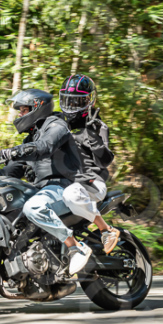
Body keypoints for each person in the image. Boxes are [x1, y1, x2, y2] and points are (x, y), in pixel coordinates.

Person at [0, 88, 93, 275]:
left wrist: (16, 151)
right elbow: (11, 170)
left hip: (65, 188)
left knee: (33, 207)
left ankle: (75, 247)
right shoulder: (30, 139)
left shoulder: (57, 125)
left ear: (37, 107)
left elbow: (44, 147)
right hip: (43, 191)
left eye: (24, 110)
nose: (20, 114)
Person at [58, 74, 120, 254]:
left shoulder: (98, 126)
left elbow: (105, 161)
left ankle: (106, 230)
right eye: (68, 100)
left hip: (91, 184)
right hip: (62, 183)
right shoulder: (58, 125)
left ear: (88, 101)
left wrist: (93, 136)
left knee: (72, 194)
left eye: (77, 101)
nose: (71, 105)